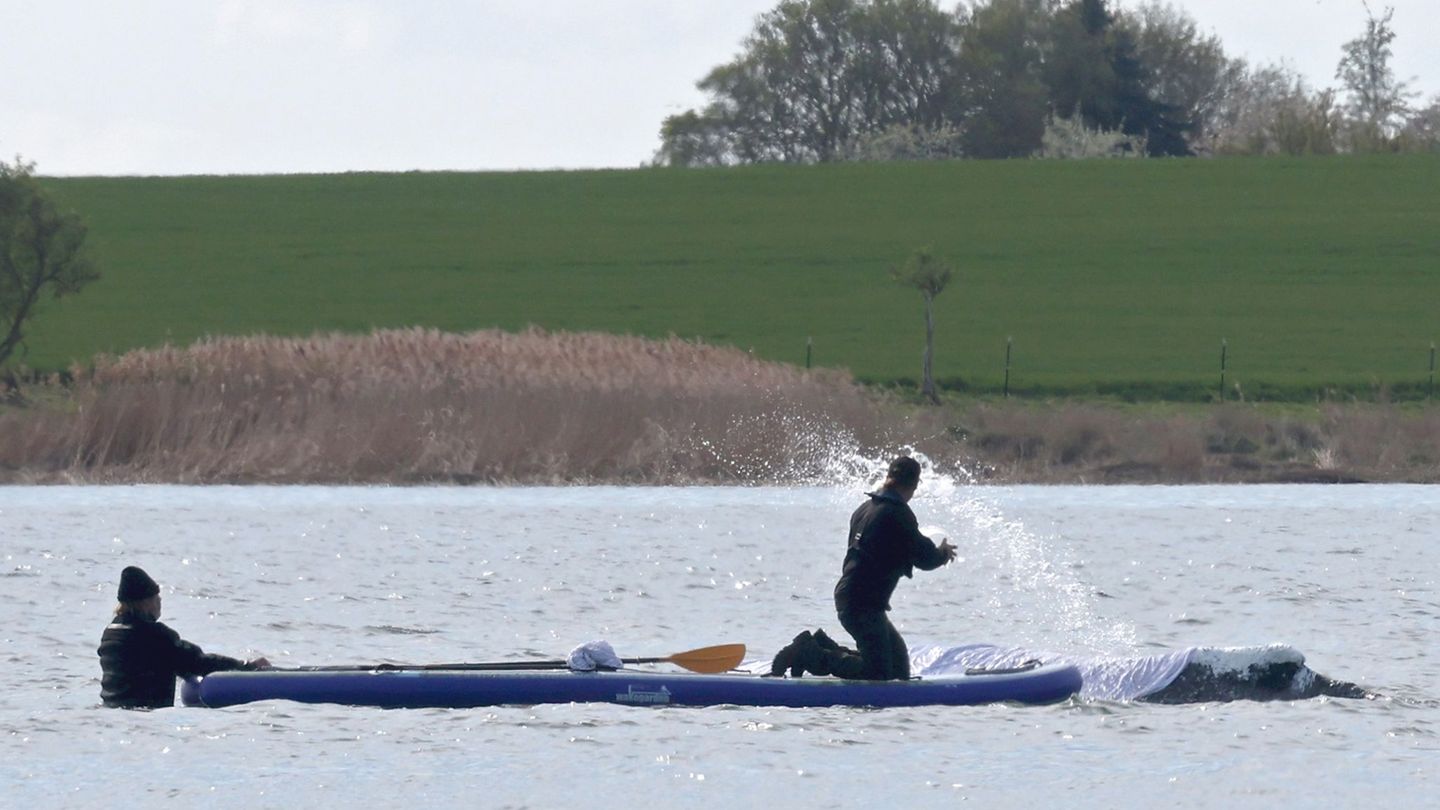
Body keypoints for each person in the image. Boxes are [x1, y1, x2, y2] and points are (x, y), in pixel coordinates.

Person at [772, 456, 956, 680]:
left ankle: (820, 645)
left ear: (889, 477)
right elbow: (925, 558)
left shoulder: (865, 508)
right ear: (915, 485)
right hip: (862, 604)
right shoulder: (898, 514)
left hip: (857, 599)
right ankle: (807, 653)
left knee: (898, 671)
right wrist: (944, 553)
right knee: (878, 674)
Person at [97, 565, 270, 708]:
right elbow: (198, 662)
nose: (160, 602)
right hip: (144, 714)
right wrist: (246, 667)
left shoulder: (111, 633)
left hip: (112, 710)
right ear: (146, 603)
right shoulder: (155, 636)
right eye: (157, 598)